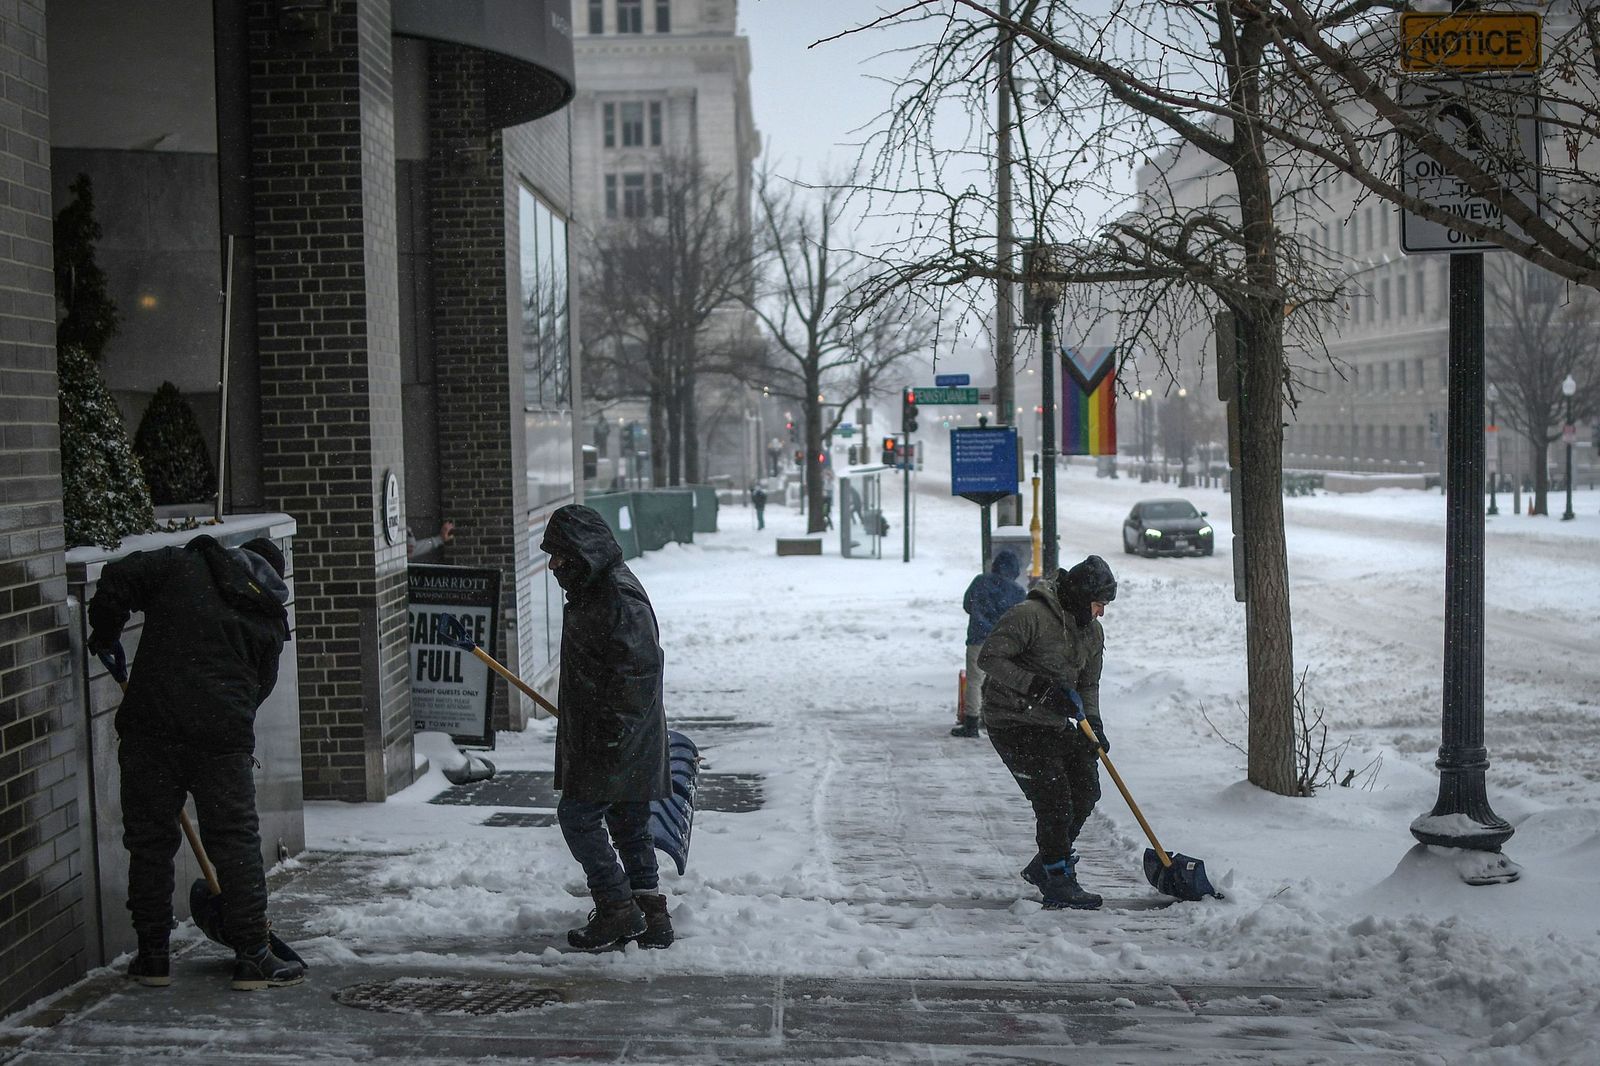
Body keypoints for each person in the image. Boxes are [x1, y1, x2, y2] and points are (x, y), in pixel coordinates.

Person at [86, 535, 304, 989]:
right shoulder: (268, 616)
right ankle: (252, 955)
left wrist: (106, 632)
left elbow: (118, 578)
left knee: (150, 844)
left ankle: (152, 957)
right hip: (221, 741)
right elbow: (259, 688)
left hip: (152, 729)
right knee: (235, 842)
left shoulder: (182, 566)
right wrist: (220, 712)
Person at [540, 504, 674, 950]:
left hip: (616, 737)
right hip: (619, 734)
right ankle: (651, 914)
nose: (553, 565)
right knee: (628, 821)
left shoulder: (616, 596)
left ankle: (617, 907)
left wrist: (612, 733)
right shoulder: (596, 590)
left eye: (560, 555)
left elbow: (639, 671)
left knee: (577, 817)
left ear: (584, 550)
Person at [977, 554, 1118, 911]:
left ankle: (1046, 863)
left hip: (1053, 723)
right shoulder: (1030, 616)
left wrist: (1094, 724)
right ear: (1081, 596)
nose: (1101, 613)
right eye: (1098, 604)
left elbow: (1088, 684)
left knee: (1086, 787)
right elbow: (990, 658)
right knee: (1054, 797)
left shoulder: (1092, 632)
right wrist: (1038, 688)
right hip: (1011, 720)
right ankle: (1057, 877)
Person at [952, 549, 1025, 737]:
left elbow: (967, 604)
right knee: (999, 681)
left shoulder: (980, 581)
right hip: (1003, 643)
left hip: (978, 638)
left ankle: (971, 723)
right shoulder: (1018, 591)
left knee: (975, 680)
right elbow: (1021, 619)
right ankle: (994, 719)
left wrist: (981, 615)